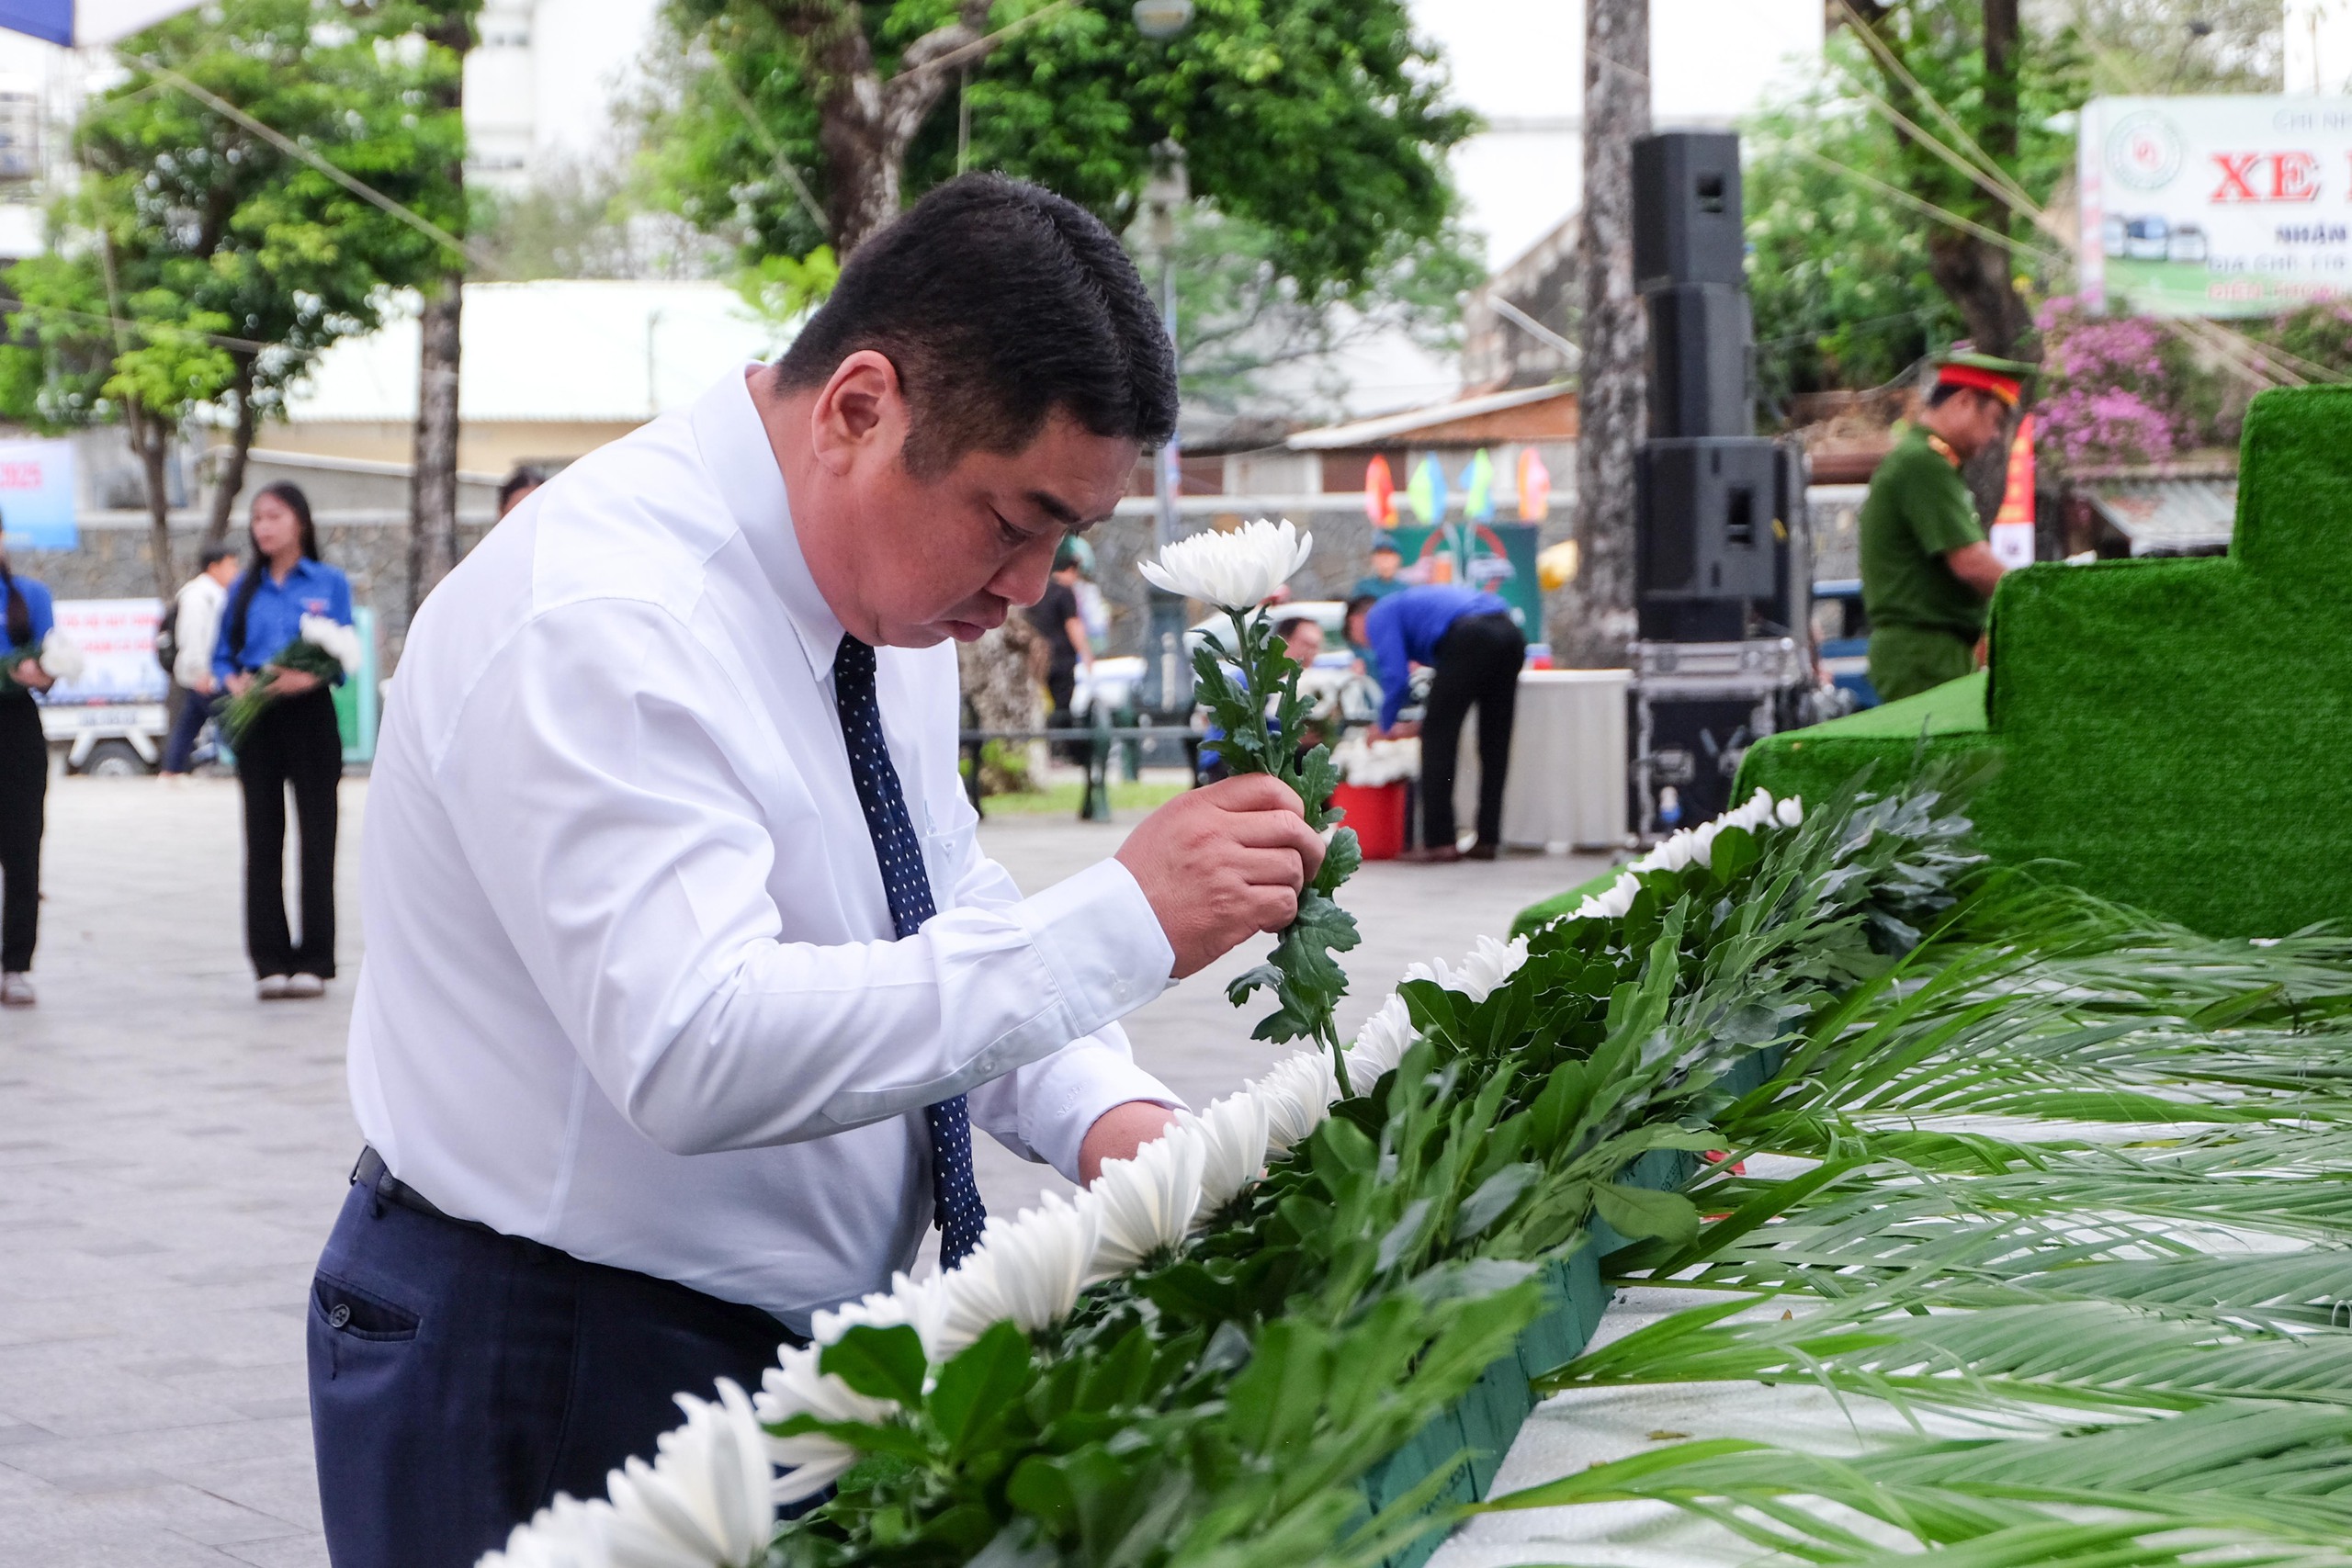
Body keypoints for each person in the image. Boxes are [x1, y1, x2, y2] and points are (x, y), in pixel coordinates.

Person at [308, 174, 1323, 1566]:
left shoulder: (872, 591)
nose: (1029, 586)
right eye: (1013, 518)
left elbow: (934, 905)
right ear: (857, 408)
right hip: (547, 1353)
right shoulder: (607, 617)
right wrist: (1126, 916)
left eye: (1062, 542)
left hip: (762, 1342)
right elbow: (698, 1045)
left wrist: (1111, 1115)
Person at [214, 482, 354, 1002]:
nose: (263, 527)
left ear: (300, 521)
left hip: (310, 717)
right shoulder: (242, 587)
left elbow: (342, 651)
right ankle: (269, 960)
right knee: (262, 837)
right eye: (257, 519)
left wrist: (311, 679)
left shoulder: (329, 582)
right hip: (259, 720)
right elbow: (222, 656)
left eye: (273, 516)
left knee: (318, 839)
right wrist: (235, 683)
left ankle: (315, 959)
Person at [1858, 352, 2030, 704]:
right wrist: (2034, 597)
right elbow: (1971, 562)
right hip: (1924, 654)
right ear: (1965, 401)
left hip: (1928, 650)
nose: (1996, 436)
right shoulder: (1923, 463)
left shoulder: (1927, 461)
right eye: (1996, 421)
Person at [1347, 583, 1525, 863]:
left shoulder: (1379, 613)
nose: (1364, 645)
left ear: (1356, 619)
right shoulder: (1407, 604)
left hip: (1469, 635)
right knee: (1494, 740)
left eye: (1356, 638)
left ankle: (1440, 841)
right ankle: (1488, 838)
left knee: (1438, 737)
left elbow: (1395, 675)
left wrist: (1383, 724)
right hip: (1509, 633)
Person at [0, 544, 56, 1007]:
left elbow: (51, 669)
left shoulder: (31, 596)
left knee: (22, 848)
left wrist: (39, 673)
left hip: (16, 728)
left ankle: (16, 964)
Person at [161, 544, 241, 777]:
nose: (235, 570)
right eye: (231, 565)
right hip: (206, 673)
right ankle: (255, 766)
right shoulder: (199, 595)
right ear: (214, 567)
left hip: (208, 672)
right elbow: (193, 634)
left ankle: (172, 770)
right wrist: (200, 670)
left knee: (190, 722)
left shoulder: (214, 593)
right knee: (232, 722)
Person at [1027, 542, 1092, 760]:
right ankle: (1063, 750)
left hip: (1039, 658)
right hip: (1062, 658)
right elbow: (1072, 624)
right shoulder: (1065, 592)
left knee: (1042, 704)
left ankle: (1045, 748)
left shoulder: (1040, 590)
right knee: (1063, 705)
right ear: (1070, 570)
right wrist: (1086, 654)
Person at [1351, 535, 1408, 602]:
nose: (1385, 559)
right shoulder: (1364, 588)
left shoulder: (1405, 590)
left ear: (1398, 559)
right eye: (1380, 554)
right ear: (1373, 558)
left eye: (1389, 554)